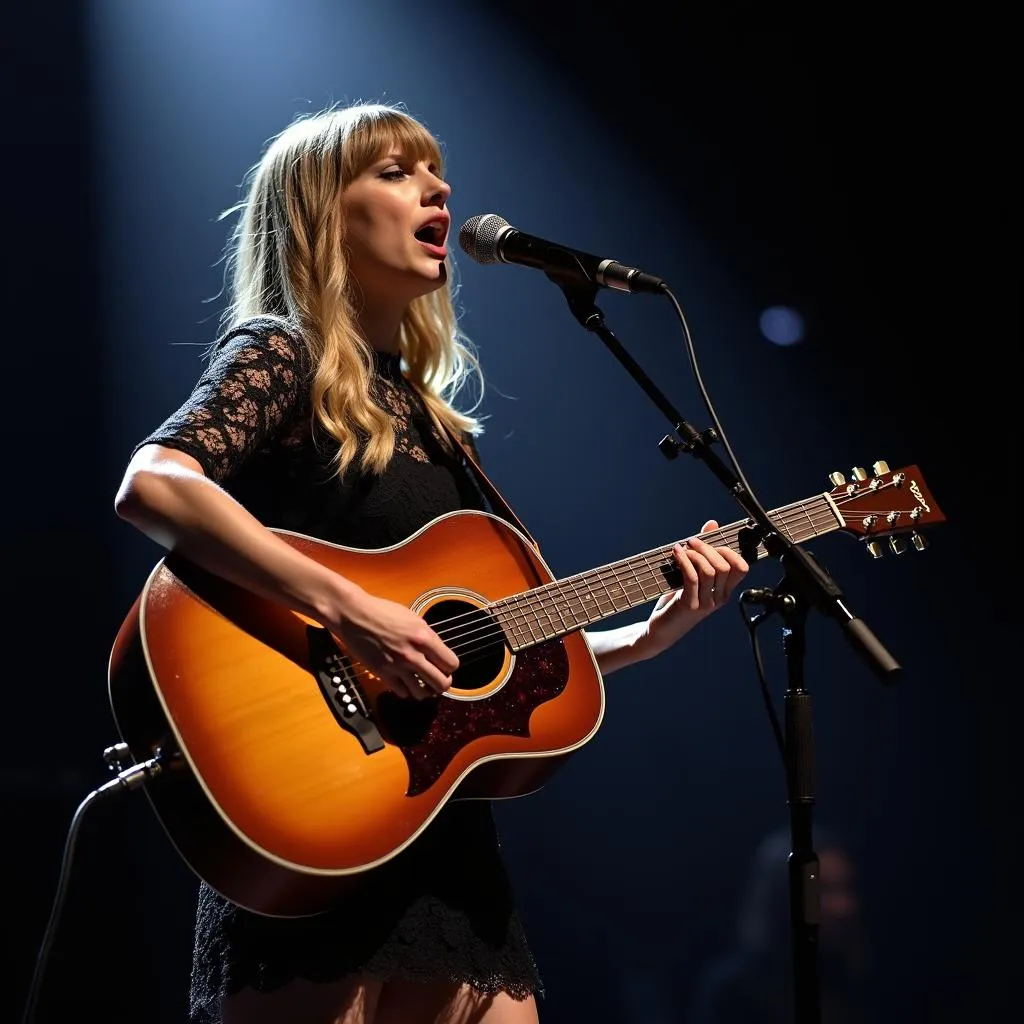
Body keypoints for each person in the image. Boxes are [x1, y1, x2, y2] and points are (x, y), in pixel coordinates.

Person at [112, 100, 750, 1024]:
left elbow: (463, 659)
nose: (439, 187)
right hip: (313, 818)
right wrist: (352, 610)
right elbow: (155, 483)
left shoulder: (428, 417)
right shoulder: (281, 354)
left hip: (440, 843)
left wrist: (646, 638)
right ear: (320, 214)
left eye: (436, 170)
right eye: (396, 170)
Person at [685, 826, 875, 1024]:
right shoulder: (734, 989)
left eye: (847, 888)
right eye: (822, 890)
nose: (844, 907)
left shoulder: (854, 980)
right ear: (782, 895)